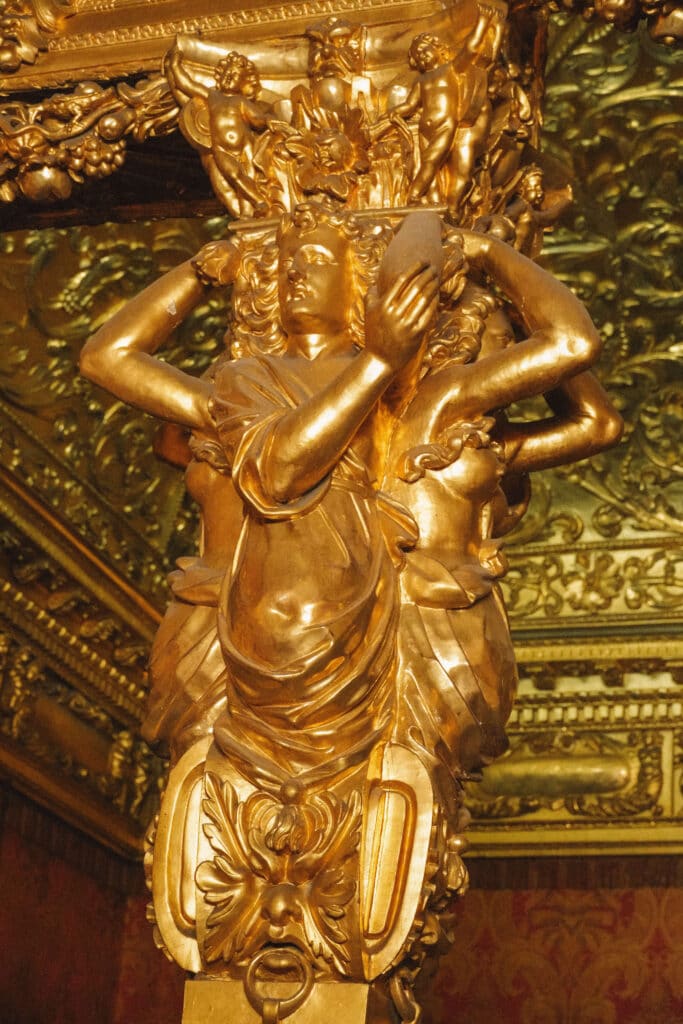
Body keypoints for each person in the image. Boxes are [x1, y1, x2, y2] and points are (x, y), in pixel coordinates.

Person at [79, 202, 440, 774]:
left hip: (357, 612)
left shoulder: (407, 387)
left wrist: (480, 250)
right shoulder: (243, 380)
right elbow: (276, 471)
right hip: (252, 623)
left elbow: (570, 349)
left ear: (357, 282)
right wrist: (199, 273)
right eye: (287, 262)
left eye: (317, 259)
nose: (295, 272)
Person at [379, 229, 623, 785]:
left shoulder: (477, 441)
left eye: (516, 345)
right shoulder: (441, 397)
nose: (515, 360)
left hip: (469, 608)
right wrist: (491, 254)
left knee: (436, 784)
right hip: (420, 608)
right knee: (403, 778)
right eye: (501, 342)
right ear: (458, 345)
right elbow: (570, 344)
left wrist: (518, 309)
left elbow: (599, 424)